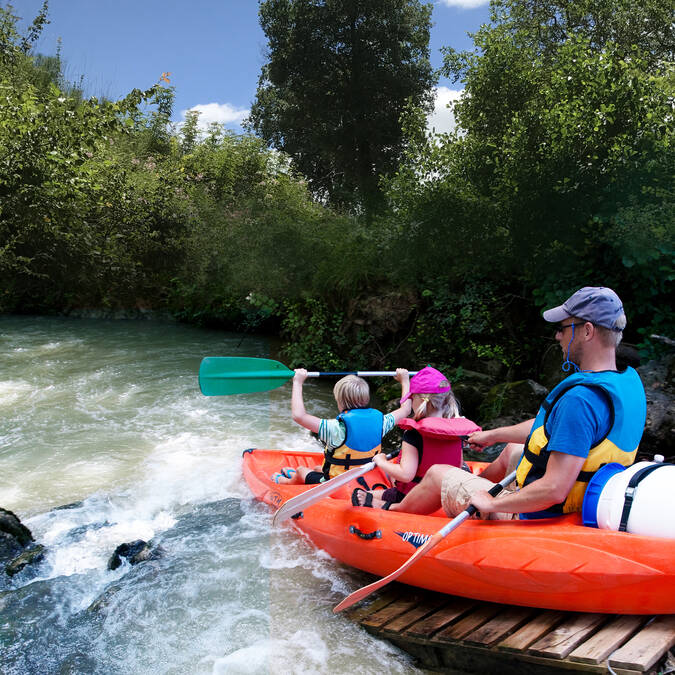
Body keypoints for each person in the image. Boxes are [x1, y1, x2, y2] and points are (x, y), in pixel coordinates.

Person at [360, 286, 647, 520]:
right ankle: (468, 485)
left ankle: (395, 509)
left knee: (436, 474)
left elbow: (555, 489)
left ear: (587, 331)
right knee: (512, 450)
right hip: (585, 496)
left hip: (542, 510)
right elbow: (554, 429)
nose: (558, 336)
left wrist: (491, 503)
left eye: (563, 328)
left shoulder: (581, 399)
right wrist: (494, 435)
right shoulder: (624, 384)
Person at [350, 366, 480, 509]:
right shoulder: (456, 432)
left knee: (363, 493)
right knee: (394, 474)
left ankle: (384, 505)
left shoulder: (413, 433)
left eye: (412, 398)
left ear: (421, 401)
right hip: (443, 497)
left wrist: (380, 461)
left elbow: (406, 475)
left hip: (411, 496)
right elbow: (458, 465)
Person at [272, 368, 411, 484]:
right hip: (363, 475)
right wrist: (405, 380)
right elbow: (406, 409)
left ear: (340, 402)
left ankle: (288, 482)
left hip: (337, 483)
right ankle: (309, 475)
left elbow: (299, 416)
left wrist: (298, 382)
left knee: (301, 470)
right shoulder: (383, 422)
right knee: (316, 468)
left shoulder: (336, 428)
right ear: (366, 399)